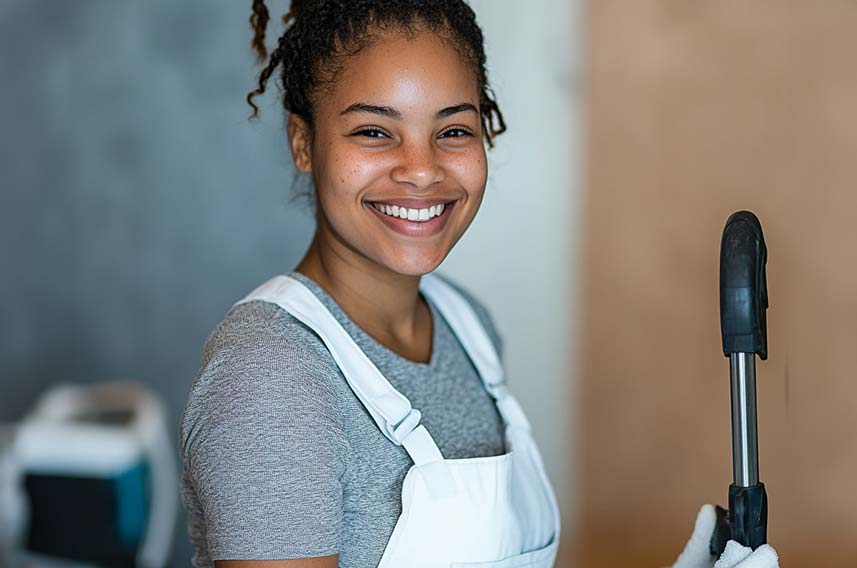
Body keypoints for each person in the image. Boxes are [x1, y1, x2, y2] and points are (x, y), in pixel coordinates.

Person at [178, 2, 780, 567]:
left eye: (454, 131)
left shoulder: (468, 327)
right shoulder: (271, 375)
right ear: (303, 142)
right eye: (373, 132)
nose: (421, 168)